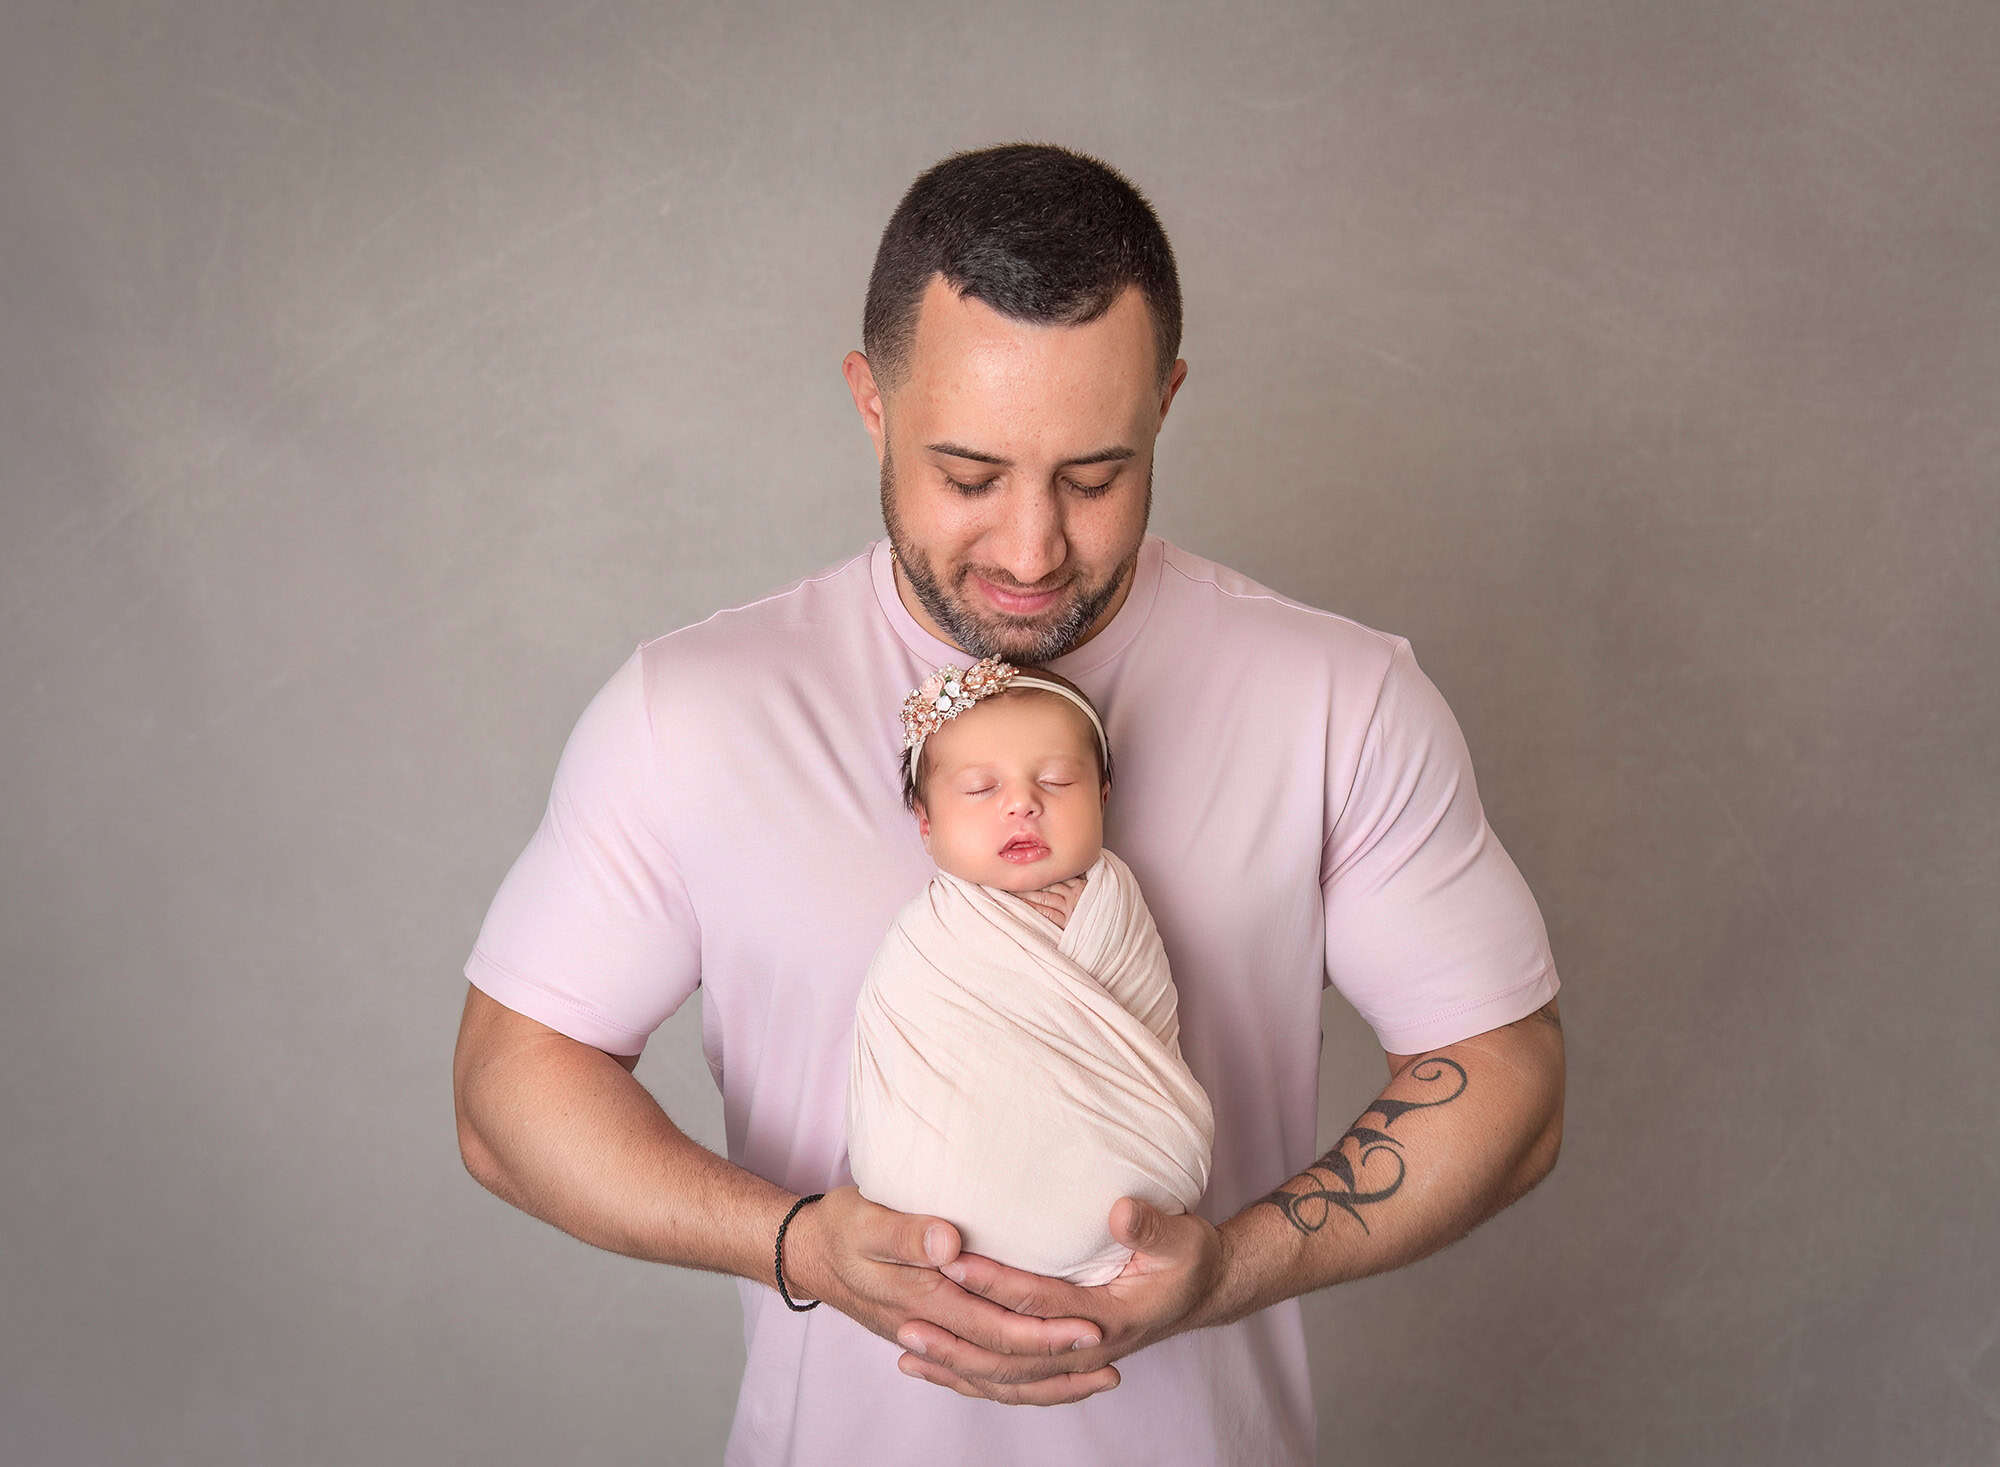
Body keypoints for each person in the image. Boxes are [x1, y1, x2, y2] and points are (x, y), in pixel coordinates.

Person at [453, 141, 1566, 1466]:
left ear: (1168, 399)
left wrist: (1232, 1268)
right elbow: (506, 1095)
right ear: (872, 400)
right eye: (970, 475)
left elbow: (1514, 1081)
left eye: (1094, 476)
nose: (1034, 548)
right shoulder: (692, 711)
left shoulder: (1340, 697)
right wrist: (797, 1240)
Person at [846, 657, 1214, 1287]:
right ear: (927, 824)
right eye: (979, 789)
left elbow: (1144, 1025)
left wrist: (1084, 924)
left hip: (1123, 1182)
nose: (1022, 804)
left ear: (1102, 798)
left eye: (1057, 781)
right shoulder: (929, 942)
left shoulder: (1115, 907)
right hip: (940, 1207)